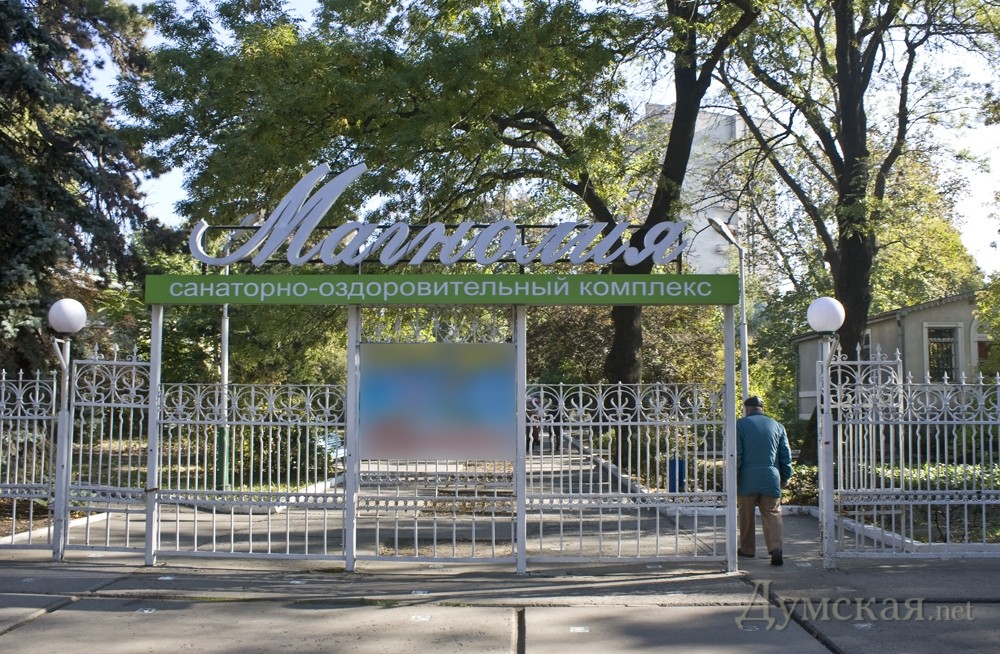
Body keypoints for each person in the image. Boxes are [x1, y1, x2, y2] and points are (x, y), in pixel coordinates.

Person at [736, 395, 793, 565]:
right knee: (772, 513)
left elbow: (737, 454)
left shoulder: (740, 425)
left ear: (747, 409)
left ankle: (747, 549)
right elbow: (785, 455)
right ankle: (776, 549)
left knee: (746, 515)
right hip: (771, 477)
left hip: (747, 479)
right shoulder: (777, 426)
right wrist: (785, 476)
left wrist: (733, 476)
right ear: (761, 409)